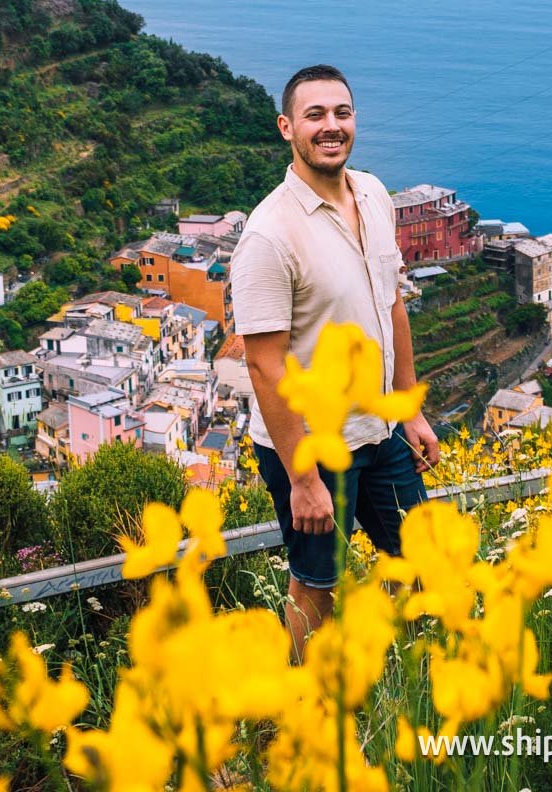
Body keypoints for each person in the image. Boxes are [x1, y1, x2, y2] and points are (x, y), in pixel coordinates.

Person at [230, 64, 442, 660]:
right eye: (315, 115)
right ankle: (301, 709)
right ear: (286, 128)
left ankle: (425, 682)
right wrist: (303, 480)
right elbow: (264, 366)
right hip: (312, 449)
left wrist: (411, 408)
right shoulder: (269, 235)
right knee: (316, 586)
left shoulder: (374, 195)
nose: (331, 127)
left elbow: (390, 301)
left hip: (380, 429)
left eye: (341, 113)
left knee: (423, 562)